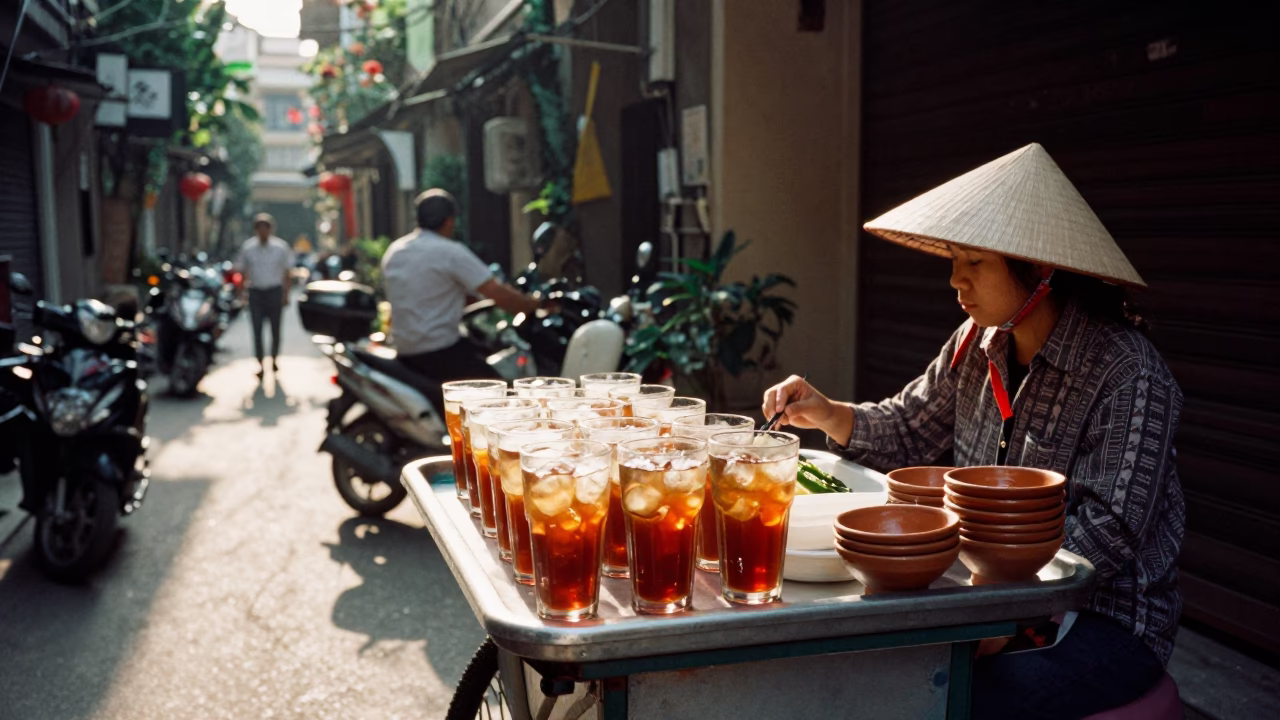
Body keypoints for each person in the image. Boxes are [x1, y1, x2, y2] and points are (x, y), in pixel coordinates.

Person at [763, 144, 1183, 719]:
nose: (956, 279)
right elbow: (910, 427)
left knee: (951, 699)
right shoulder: (976, 341)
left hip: (1106, 621)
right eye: (954, 259)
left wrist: (1000, 603)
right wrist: (827, 411)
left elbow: (1110, 532)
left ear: (1039, 271)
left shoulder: (1128, 372)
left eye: (975, 262)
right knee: (869, 673)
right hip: (985, 596)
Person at [382, 189, 540, 382]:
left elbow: (427, 292)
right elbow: (498, 293)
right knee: (499, 389)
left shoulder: (395, 251)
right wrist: (534, 304)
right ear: (450, 221)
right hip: (442, 352)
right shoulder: (450, 252)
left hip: (404, 353)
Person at [235, 213, 295, 378]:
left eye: (265, 228)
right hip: (256, 293)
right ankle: (260, 363)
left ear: (270, 229)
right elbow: (242, 272)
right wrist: (241, 294)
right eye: (259, 228)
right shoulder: (248, 248)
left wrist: (286, 294)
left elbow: (287, 273)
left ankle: (274, 358)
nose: (263, 231)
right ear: (256, 230)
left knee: (276, 330)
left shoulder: (280, 247)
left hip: (274, 292)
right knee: (257, 331)